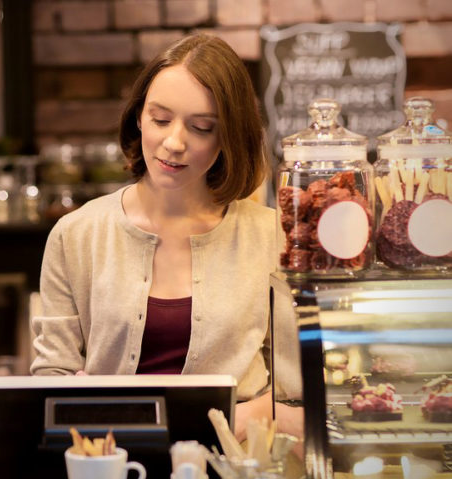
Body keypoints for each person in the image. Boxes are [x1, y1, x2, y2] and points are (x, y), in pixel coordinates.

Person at [30, 33, 302, 441]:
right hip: (110, 472)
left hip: (236, 469)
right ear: (138, 117)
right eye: (160, 119)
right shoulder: (77, 235)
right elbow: (53, 375)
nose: (174, 143)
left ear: (228, 137)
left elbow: (296, 389)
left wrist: (250, 416)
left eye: (202, 127)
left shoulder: (271, 236)